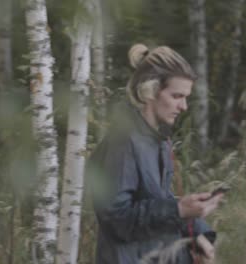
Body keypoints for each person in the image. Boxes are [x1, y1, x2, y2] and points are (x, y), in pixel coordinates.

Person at [87, 44, 223, 264]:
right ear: (149, 91)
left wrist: (197, 233)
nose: (184, 106)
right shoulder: (124, 141)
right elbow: (116, 219)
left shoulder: (158, 139)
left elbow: (158, 202)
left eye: (186, 97)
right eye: (177, 96)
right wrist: (179, 209)